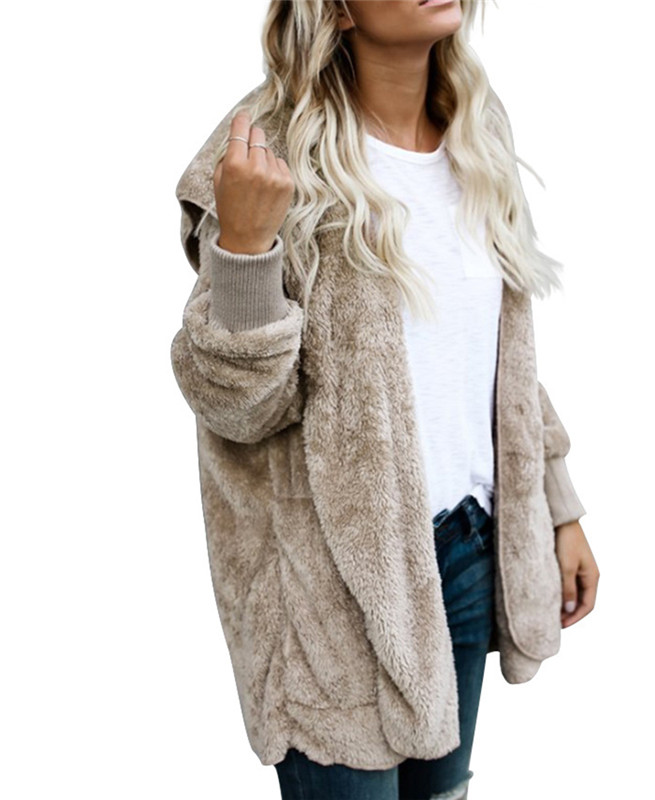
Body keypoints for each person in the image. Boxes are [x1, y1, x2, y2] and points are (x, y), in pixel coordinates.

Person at [170, 1, 600, 798]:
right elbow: (238, 408)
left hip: (467, 550)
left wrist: (558, 505)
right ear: (335, 8)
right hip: (332, 586)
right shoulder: (265, 153)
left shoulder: (476, 131)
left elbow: (498, 359)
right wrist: (246, 248)